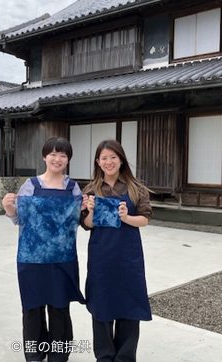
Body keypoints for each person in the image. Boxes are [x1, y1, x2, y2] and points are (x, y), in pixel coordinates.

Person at [2, 136, 86, 362]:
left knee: (59, 308)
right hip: (31, 259)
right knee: (32, 308)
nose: (57, 159)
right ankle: (35, 355)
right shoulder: (30, 185)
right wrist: (9, 208)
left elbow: (78, 220)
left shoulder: (73, 188)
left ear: (68, 160)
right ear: (44, 156)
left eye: (63, 155)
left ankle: (58, 355)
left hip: (62, 259)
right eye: (53, 154)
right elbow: (20, 219)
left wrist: (88, 208)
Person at [81, 139, 152, 362]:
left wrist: (126, 217)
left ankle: (125, 357)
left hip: (128, 256)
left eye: (113, 157)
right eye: (104, 158)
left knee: (128, 305)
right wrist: (90, 210)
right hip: (101, 256)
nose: (109, 162)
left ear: (121, 160)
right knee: (102, 304)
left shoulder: (135, 188)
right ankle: (104, 356)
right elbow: (86, 225)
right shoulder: (91, 189)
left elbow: (145, 219)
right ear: (97, 162)